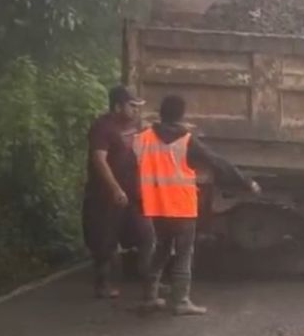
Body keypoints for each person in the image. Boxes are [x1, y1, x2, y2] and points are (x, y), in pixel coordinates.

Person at [134, 95, 259, 316]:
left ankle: (150, 297)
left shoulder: (143, 138)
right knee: (184, 253)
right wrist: (246, 182)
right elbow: (217, 162)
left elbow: (130, 163)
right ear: (181, 115)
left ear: (161, 113)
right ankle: (180, 301)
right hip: (181, 207)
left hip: (156, 207)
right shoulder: (186, 141)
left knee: (161, 250)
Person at [83, 85, 145, 299]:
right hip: (105, 194)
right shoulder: (103, 127)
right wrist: (115, 189)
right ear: (118, 106)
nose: (136, 110)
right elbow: (99, 160)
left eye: (138, 106)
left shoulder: (133, 126)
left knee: (143, 234)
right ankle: (102, 284)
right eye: (132, 105)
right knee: (104, 240)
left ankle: (149, 282)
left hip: (131, 192)